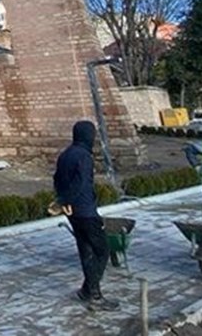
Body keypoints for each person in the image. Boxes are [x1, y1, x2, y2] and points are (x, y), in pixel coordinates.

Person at [53, 120, 120, 311]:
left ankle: (86, 290)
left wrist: (62, 200)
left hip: (72, 212)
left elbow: (56, 179)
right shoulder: (84, 156)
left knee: (85, 250)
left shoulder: (65, 154)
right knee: (102, 250)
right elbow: (81, 184)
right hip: (85, 211)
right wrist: (67, 200)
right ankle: (94, 295)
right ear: (88, 136)